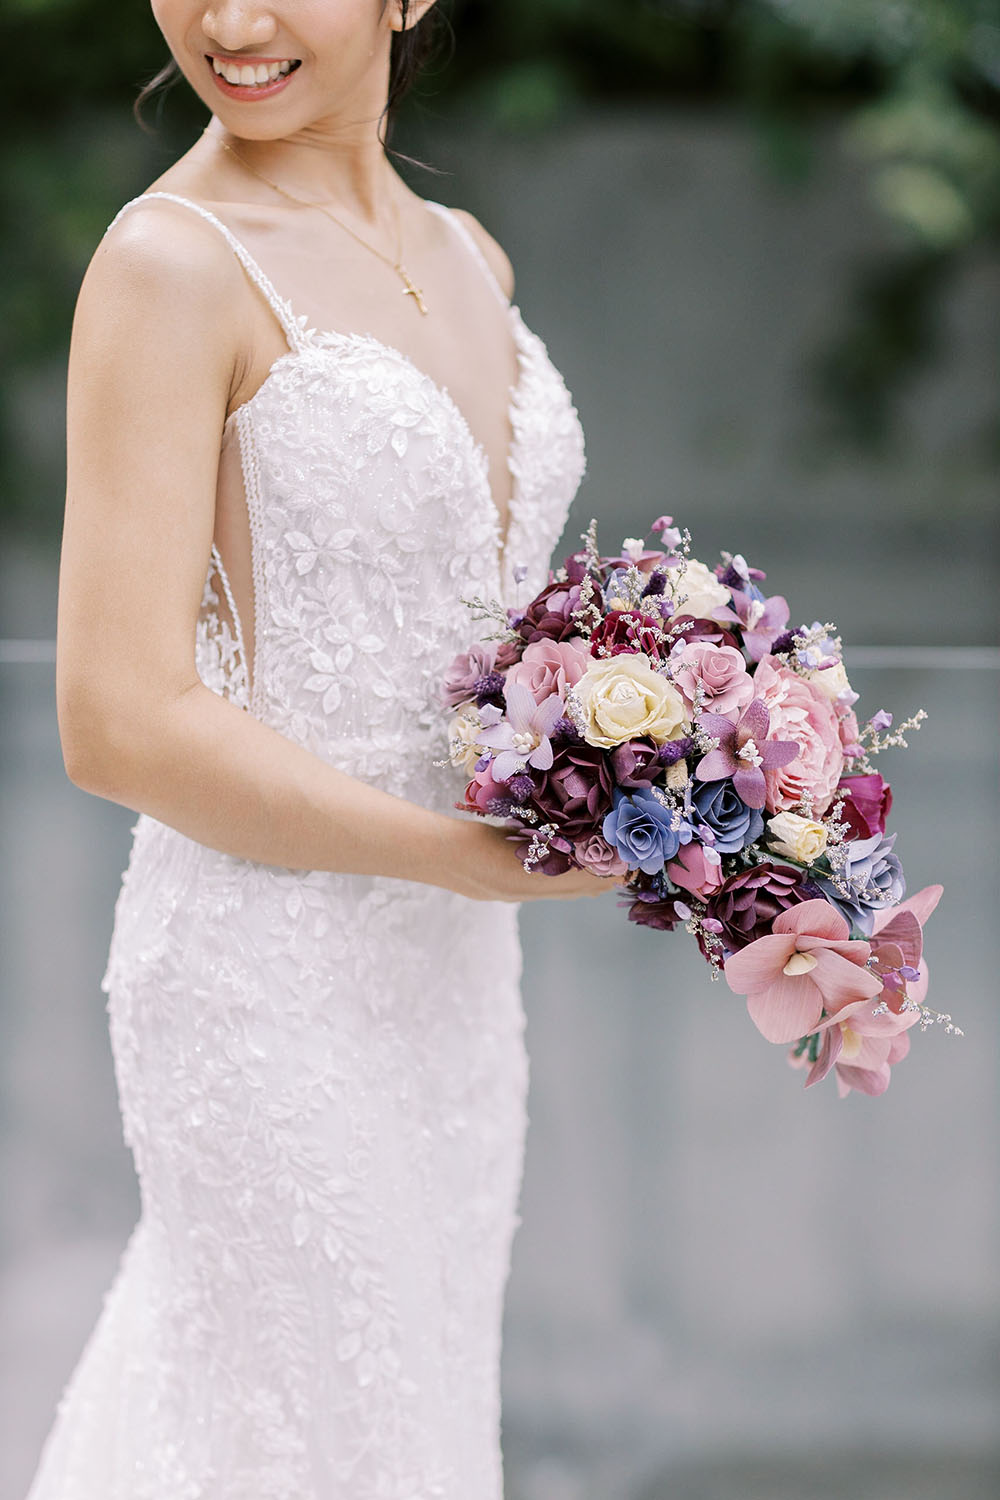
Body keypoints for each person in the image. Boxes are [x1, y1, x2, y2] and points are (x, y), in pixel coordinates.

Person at [28, 1, 608, 1495]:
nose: (229, 20)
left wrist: (668, 757)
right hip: (257, 988)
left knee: (402, 1417)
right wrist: (459, 860)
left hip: (457, 999)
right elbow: (117, 718)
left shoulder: (473, 255)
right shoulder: (171, 265)